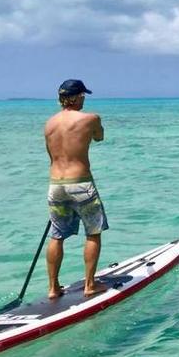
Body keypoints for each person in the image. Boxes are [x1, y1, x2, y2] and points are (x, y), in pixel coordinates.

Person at [43, 79, 109, 299]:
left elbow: (51, 156)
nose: (84, 99)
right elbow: (99, 137)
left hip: (56, 185)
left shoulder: (49, 124)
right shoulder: (90, 118)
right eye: (83, 96)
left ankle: (53, 288)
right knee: (93, 232)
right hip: (81, 183)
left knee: (57, 235)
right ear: (78, 96)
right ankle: (90, 285)